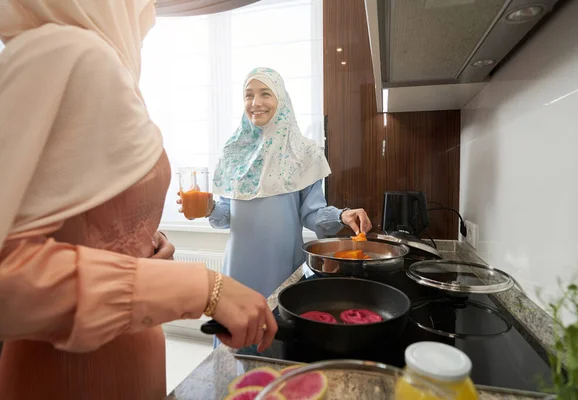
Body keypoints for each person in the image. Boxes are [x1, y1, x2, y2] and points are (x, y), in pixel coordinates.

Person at [0, 1, 276, 399]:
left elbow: (84, 224)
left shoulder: (104, 63)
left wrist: (141, 246)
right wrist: (198, 286)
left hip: (133, 353)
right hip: (74, 374)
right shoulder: (70, 51)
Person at [179, 67, 372, 298]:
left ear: (281, 99)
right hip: (238, 267)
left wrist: (342, 215)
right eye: (248, 95)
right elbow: (226, 216)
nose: (255, 102)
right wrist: (208, 207)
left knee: (278, 325)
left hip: (282, 266)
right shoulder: (234, 152)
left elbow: (311, 215)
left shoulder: (303, 152)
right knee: (238, 328)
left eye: (265, 93)